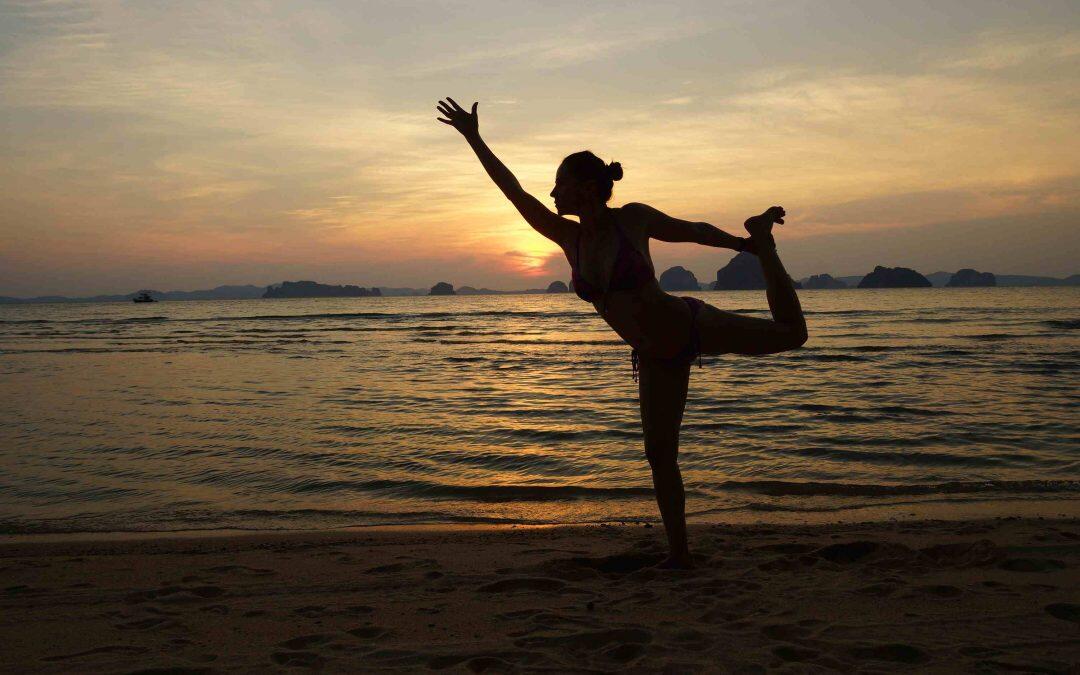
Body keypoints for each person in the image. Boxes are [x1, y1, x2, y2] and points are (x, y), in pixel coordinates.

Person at [436, 98, 808, 570]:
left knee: (792, 334)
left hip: (689, 325)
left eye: (560, 183)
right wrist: (473, 138)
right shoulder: (567, 239)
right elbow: (514, 193)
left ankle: (768, 247)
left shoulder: (632, 218)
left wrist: (744, 245)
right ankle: (679, 554)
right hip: (655, 357)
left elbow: (689, 229)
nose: (552, 192)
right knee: (659, 455)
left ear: (586, 187)